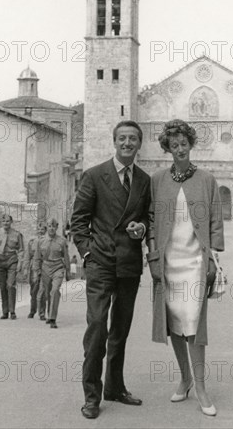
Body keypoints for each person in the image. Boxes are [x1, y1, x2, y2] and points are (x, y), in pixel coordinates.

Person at [70, 120, 151, 420]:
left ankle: (115, 387)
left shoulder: (144, 180)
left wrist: (141, 228)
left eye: (133, 139)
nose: (127, 143)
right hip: (101, 264)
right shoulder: (94, 176)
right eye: (122, 138)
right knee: (97, 329)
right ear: (114, 142)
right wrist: (88, 253)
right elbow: (78, 221)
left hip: (129, 264)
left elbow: (148, 218)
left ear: (139, 144)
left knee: (120, 331)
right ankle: (92, 395)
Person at [146, 120, 224, 417]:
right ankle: (185, 378)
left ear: (191, 144)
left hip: (195, 263)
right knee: (175, 324)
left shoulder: (206, 179)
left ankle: (202, 388)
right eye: (173, 145)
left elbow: (216, 219)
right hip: (168, 262)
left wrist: (214, 259)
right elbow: (152, 221)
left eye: (184, 144)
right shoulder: (157, 180)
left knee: (193, 326)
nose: (179, 149)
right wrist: (153, 258)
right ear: (167, 148)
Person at [33, 218, 70, 329]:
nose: (51, 228)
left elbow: (66, 257)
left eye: (54, 226)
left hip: (58, 267)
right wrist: (36, 271)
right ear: (47, 227)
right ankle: (47, 314)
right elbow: (37, 258)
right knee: (47, 292)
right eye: (49, 226)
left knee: (55, 291)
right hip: (45, 268)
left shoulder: (62, 241)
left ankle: (52, 318)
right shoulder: (41, 241)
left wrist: (68, 271)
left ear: (57, 227)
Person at [0, 214, 24, 320]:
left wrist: (20, 263)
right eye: (4, 221)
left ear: (11, 222)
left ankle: (12, 311)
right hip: (0, 261)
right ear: (1, 222)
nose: (6, 223)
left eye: (8, 221)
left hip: (11, 261)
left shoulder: (17, 234)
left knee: (10, 285)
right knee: (2, 287)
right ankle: (5, 311)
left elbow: (21, 250)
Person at [23, 221, 47, 319]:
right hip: (34, 267)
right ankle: (32, 310)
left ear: (46, 231)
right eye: (39, 229)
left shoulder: (48, 241)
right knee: (34, 290)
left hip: (45, 266)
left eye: (42, 230)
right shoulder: (32, 241)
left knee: (43, 290)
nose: (40, 231)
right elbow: (27, 256)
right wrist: (25, 268)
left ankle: (42, 313)